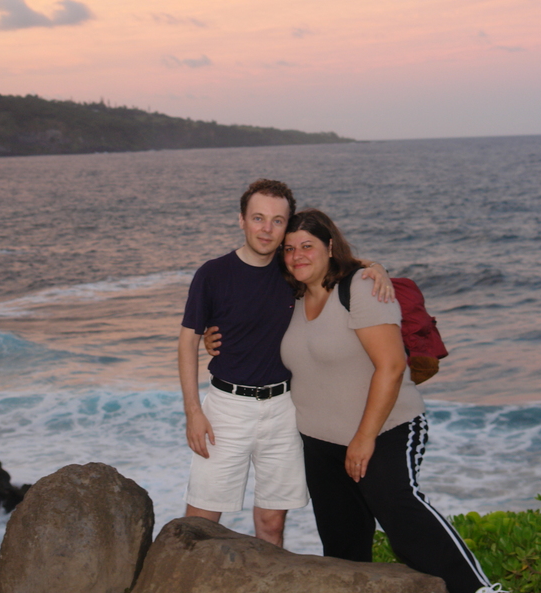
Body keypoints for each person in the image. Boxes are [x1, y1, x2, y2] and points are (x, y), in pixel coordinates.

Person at [212, 207, 500, 593]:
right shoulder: (290, 296)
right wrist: (209, 337)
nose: (297, 255)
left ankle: (478, 590)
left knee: (401, 512)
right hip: (318, 444)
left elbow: (393, 366)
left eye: (307, 246)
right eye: (289, 248)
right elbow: (244, 323)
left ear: (329, 247)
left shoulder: (361, 287)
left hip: (384, 429)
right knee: (343, 546)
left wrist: (363, 438)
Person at [178, 179, 392, 547]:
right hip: (226, 410)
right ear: (241, 220)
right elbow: (187, 343)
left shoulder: (292, 269)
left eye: (278, 221)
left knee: (272, 523)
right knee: (200, 521)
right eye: (258, 218)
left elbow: (336, 264)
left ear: (287, 225)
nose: (267, 229)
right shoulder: (212, 274)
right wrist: (193, 412)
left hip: (284, 411)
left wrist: (377, 267)